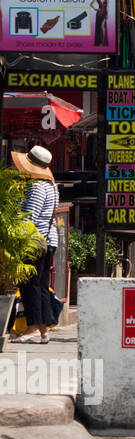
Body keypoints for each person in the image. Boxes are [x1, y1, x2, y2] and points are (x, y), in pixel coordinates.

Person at [12, 146, 59, 344]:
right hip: (48, 240)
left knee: (29, 285)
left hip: (34, 240)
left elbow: (28, 216)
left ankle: (32, 328)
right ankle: (42, 329)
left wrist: (16, 236)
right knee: (41, 286)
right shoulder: (51, 186)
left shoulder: (37, 186)